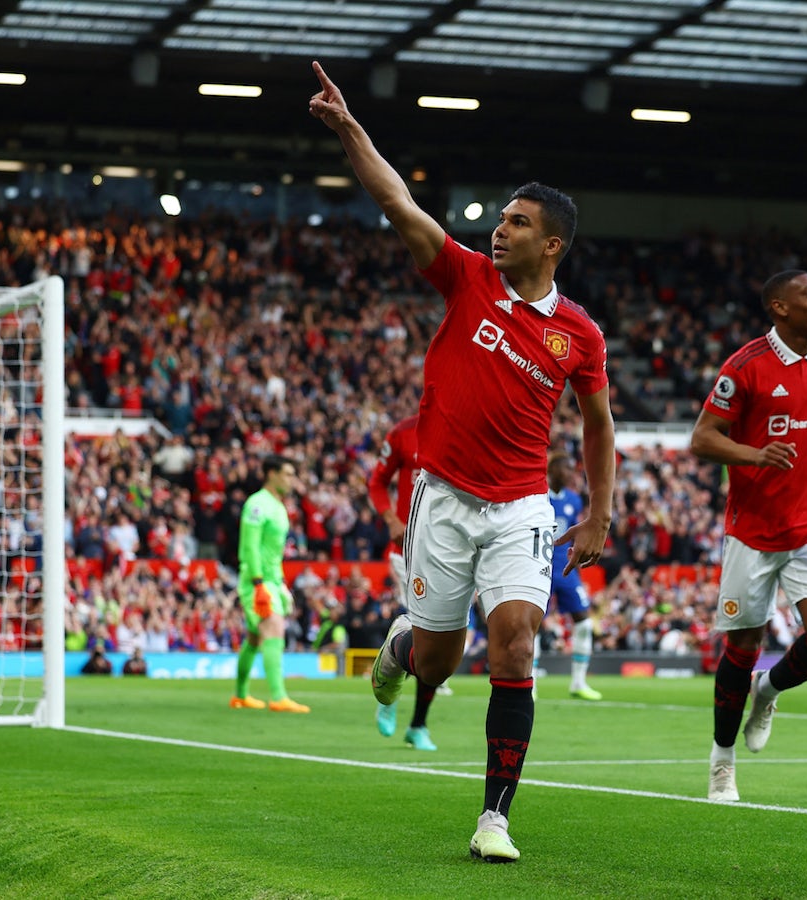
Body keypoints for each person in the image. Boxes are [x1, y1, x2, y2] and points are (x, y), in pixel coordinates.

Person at [310, 61, 616, 863]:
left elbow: (598, 423)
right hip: (441, 500)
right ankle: (402, 651)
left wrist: (600, 509)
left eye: (516, 222)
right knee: (439, 661)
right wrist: (348, 127)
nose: (498, 228)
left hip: (522, 507)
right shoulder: (465, 278)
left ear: (550, 244)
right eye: (499, 218)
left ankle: (494, 819)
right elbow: (394, 201)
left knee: (515, 645)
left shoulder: (580, 334)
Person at [689, 269, 807, 803]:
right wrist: (754, 454)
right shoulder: (746, 367)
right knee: (743, 644)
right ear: (780, 308)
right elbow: (702, 439)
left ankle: (770, 690)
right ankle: (722, 763)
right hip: (753, 531)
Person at [367, 413, 442, 751]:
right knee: (422, 625)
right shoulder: (402, 433)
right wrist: (390, 519)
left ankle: (417, 724)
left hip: (451, 548)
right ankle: (390, 688)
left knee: (443, 638)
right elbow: (377, 481)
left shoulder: (468, 425)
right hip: (408, 546)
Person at [230, 455, 310, 713]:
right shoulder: (257, 504)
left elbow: (272, 552)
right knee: (274, 628)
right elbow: (250, 546)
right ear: (271, 474)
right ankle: (278, 697)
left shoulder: (279, 506)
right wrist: (258, 583)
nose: (291, 480)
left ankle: (240, 695)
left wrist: (281, 583)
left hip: (272, 580)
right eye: (287, 474)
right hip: (258, 580)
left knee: (254, 638)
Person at [541, 452, 602, 700]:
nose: (570, 474)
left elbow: (577, 536)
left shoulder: (574, 500)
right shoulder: (538, 496)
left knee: (585, 622)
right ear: (553, 470)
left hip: (565, 568)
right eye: (566, 469)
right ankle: (530, 684)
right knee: (533, 626)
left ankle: (578, 682)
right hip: (539, 567)